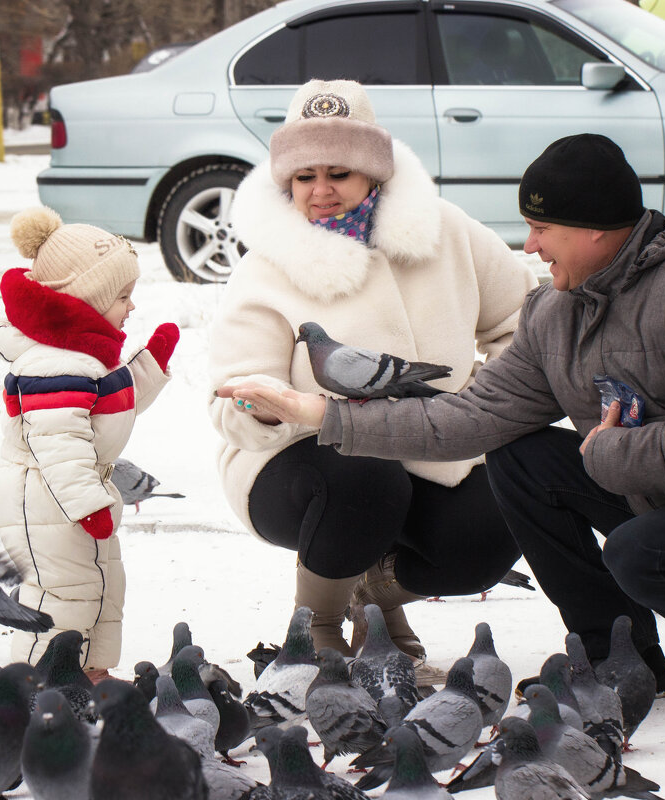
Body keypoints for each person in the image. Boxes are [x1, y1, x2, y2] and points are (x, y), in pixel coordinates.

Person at [219, 133, 665, 708]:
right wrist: (321, 415)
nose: (528, 246)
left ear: (592, 230)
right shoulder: (556, 312)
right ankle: (616, 655)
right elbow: (469, 417)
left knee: (640, 554)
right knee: (520, 457)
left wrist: (607, 453)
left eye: (539, 228)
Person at [208, 79, 537, 677]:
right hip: (300, 463)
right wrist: (261, 406)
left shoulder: (448, 232)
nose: (321, 190)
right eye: (305, 175)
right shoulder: (266, 265)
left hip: (435, 449)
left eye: (340, 171)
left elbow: (524, 324)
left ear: (375, 175)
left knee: (497, 519)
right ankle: (319, 629)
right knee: (364, 476)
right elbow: (232, 388)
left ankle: (378, 595)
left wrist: (483, 404)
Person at [0, 206, 178, 683]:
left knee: (100, 584)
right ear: (87, 299)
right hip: (47, 494)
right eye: (122, 296)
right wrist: (87, 503)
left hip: (73, 494)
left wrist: (148, 367)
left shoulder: (85, 355)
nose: (131, 307)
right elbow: (60, 444)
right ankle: (35, 682)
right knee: (61, 592)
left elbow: (105, 411)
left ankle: (87, 672)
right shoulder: (55, 363)